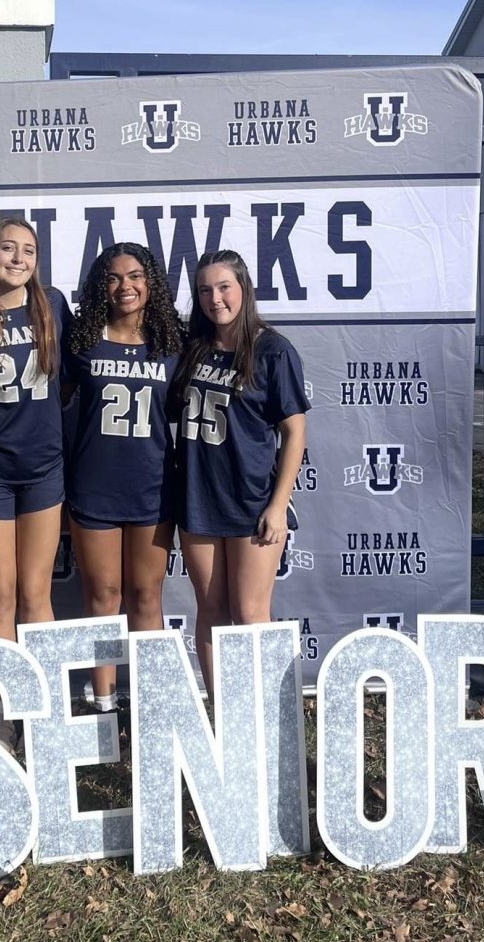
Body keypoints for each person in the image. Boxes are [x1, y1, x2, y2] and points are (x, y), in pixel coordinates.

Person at [172, 249, 309, 700]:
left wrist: (277, 505)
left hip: (252, 501)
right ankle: (221, 714)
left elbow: (294, 432)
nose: (215, 299)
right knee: (210, 611)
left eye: (224, 286)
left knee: (250, 613)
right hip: (198, 497)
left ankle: (265, 718)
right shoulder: (193, 347)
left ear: (244, 288)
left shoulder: (272, 349)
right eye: (205, 290)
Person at [0, 217, 72, 749]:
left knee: (37, 594)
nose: (19, 257)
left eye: (29, 249)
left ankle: (42, 711)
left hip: (43, 467)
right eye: (8, 247)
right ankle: (1, 714)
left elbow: (70, 381)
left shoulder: (51, 303)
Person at [65, 242, 184, 711]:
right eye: (113, 278)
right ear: (101, 287)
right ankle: (103, 699)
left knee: (145, 596)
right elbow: (53, 402)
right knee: (102, 596)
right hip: (94, 483)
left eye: (134, 276)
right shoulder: (82, 341)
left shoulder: (172, 343)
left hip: (153, 485)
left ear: (150, 281)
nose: (125, 286)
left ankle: (151, 702)